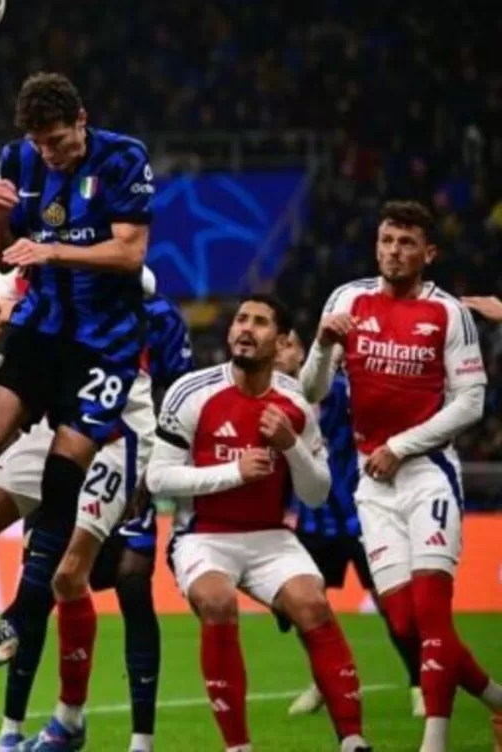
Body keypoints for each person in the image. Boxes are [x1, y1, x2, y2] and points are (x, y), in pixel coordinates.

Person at [0, 72, 153, 662]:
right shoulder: (17, 159)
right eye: (40, 143)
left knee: (64, 471)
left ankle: (21, 615)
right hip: (41, 328)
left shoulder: (123, 158)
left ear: (81, 120)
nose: (49, 153)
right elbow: (4, 258)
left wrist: (53, 250)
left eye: (58, 140)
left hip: (105, 343)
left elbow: (130, 251)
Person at [0, 268, 191, 752]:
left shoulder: (149, 305)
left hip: (117, 433)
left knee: (69, 574)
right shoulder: (45, 276)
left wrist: (163, 468)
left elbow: (182, 395)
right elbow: (1, 292)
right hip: (54, 420)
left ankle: (67, 717)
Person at [299, 201, 502, 752]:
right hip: (373, 484)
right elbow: (312, 391)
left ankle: (433, 742)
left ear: (428, 253)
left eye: (407, 242)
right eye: (387, 240)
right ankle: (499, 703)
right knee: (405, 621)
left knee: (432, 613)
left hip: (428, 473)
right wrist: (322, 343)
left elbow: (471, 402)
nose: (394, 251)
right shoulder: (346, 300)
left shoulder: (448, 313)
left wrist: (400, 445)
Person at [148, 295, 371, 752]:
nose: (246, 329)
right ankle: (238, 747)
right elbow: (158, 477)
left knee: (313, 606)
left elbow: (317, 492)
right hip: (203, 536)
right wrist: (235, 471)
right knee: (217, 602)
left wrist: (291, 445)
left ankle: (352, 740)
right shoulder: (191, 392)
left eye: (261, 322)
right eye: (241, 320)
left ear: (282, 341)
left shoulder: (294, 403)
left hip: (271, 537)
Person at [274, 329, 424, 718]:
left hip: (360, 517)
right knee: (303, 608)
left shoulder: (341, 391)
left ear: (304, 354)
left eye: (288, 346)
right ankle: (324, 681)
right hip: (311, 521)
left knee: (392, 606)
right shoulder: (271, 402)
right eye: (276, 346)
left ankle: (419, 683)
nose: (279, 353)